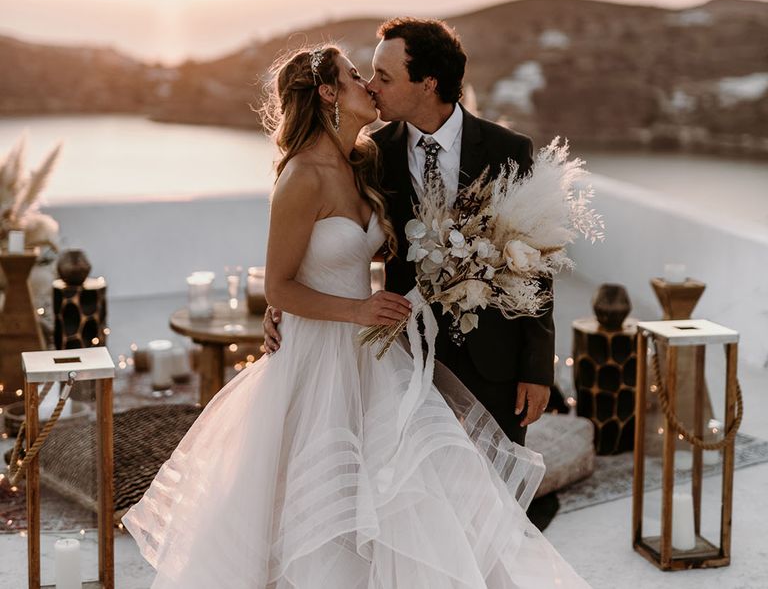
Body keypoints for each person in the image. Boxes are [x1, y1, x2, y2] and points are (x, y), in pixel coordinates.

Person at [124, 45, 589, 587]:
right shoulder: (300, 176)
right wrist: (335, 306)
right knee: (318, 498)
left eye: (377, 76)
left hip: (377, 353)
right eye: (355, 76)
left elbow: (359, 256)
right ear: (326, 92)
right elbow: (280, 280)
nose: (368, 84)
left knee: (398, 493)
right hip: (321, 357)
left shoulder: (364, 162)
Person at [265, 18, 554, 447]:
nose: (373, 87)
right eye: (367, 76)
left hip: (494, 361)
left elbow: (536, 263)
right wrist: (283, 308)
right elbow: (317, 243)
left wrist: (537, 370)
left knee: (494, 498)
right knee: (417, 496)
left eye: (384, 76)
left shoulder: (507, 151)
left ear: (427, 83)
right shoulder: (371, 157)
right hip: (404, 356)